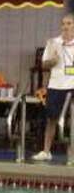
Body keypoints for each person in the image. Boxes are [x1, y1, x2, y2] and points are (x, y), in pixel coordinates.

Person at [34, 13, 74, 161]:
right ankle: (46, 151)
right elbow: (44, 64)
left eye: (69, 23)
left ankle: (72, 153)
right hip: (56, 86)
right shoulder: (53, 42)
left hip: (72, 85)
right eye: (63, 24)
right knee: (51, 119)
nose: (66, 26)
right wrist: (53, 60)